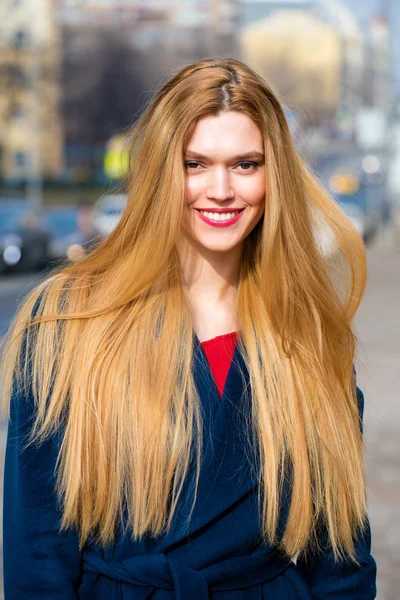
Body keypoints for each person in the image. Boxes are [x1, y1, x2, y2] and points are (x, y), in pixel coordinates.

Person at [1, 58, 377, 599]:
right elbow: (37, 553)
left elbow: (341, 559)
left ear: (275, 177)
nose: (220, 189)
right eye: (195, 163)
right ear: (160, 172)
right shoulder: (69, 323)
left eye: (246, 164)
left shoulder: (307, 336)